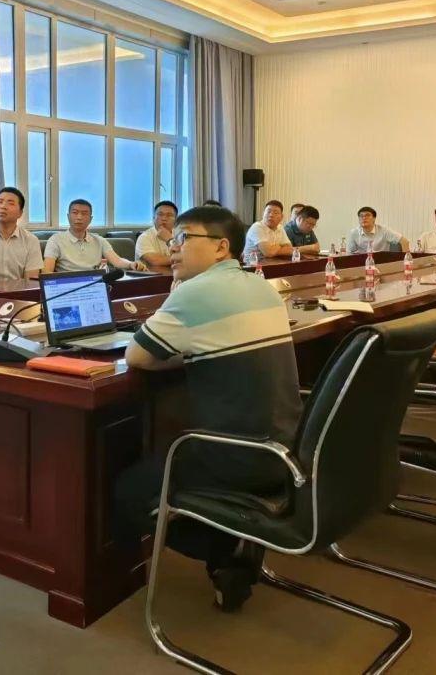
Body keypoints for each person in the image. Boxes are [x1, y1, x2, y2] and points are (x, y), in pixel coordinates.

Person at [114, 205, 301, 612]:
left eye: (185, 238)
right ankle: (234, 542)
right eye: (173, 239)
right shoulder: (261, 286)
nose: (173, 246)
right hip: (287, 449)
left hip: (240, 456)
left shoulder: (197, 292)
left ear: (221, 247)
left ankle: (226, 549)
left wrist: (178, 298)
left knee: (130, 492)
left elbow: (136, 357)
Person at [43, 199, 147, 273]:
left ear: (90, 219)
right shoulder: (56, 240)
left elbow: (118, 261)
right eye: (75, 212)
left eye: (84, 213)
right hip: (67, 285)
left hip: (95, 285)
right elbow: (47, 272)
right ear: (68, 216)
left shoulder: (99, 240)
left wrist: (131, 264)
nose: (79, 217)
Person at [344, 206, 409, 253]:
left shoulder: (384, 231)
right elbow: (350, 252)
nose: (364, 218)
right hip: (362, 263)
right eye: (361, 216)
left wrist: (405, 261)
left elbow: (405, 241)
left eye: (367, 215)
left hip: (382, 263)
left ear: (374, 218)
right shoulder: (354, 233)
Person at [135, 201, 178, 267]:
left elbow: (190, 256)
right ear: (154, 218)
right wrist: (170, 240)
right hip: (151, 273)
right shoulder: (144, 237)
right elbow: (155, 261)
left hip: (177, 272)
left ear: (176, 219)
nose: (164, 218)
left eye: (169, 215)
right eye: (160, 214)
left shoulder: (180, 235)